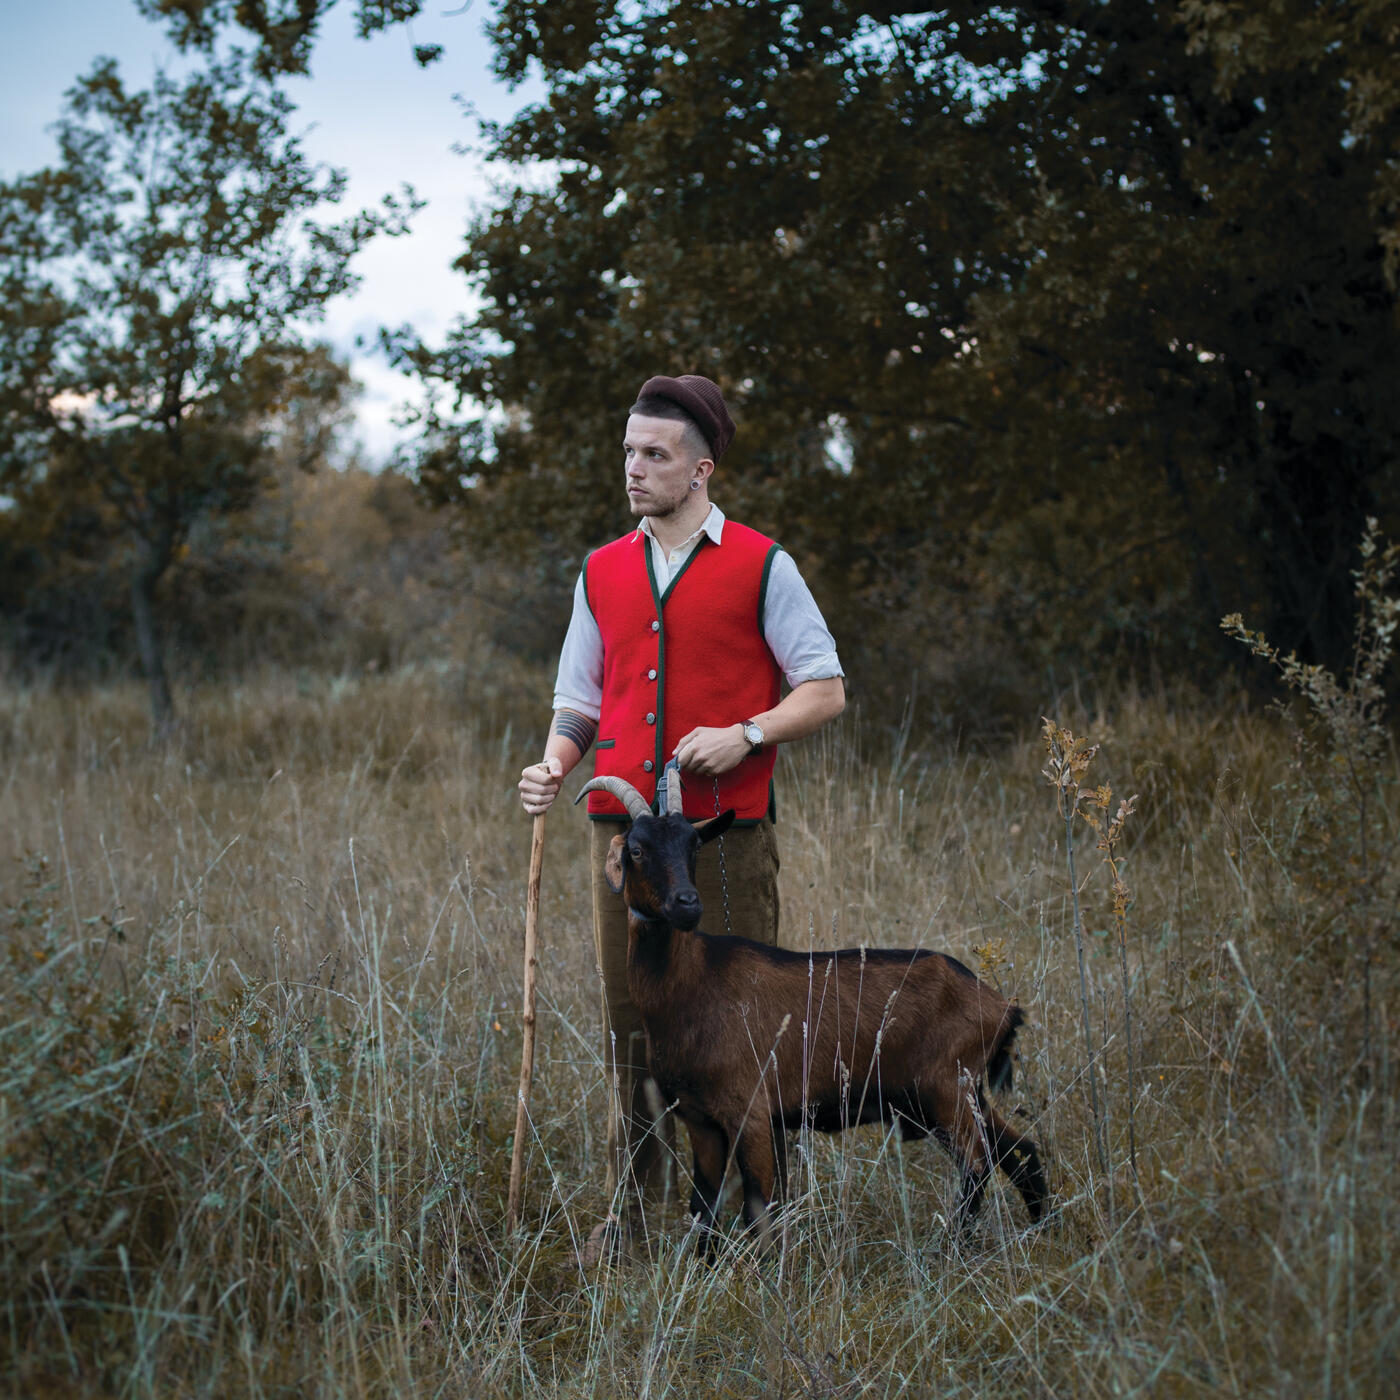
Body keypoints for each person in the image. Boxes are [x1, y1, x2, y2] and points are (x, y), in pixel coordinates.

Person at [517, 372, 845, 1260]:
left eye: (654, 454)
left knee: (741, 1032)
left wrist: (749, 733)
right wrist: (553, 765)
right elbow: (579, 701)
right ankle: (633, 1218)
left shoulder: (764, 565)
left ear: (700, 470)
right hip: (626, 846)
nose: (633, 468)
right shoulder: (601, 569)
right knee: (636, 1026)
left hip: (722, 839)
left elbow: (825, 689)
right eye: (628, 451)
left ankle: (759, 1222)